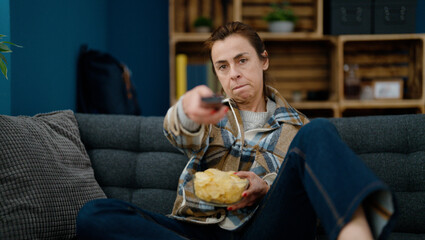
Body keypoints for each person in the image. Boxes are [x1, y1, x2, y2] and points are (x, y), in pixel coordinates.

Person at [76, 21, 397, 240]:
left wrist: (267, 188)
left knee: (320, 132)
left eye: (242, 60)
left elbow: (307, 202)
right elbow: (179, 130)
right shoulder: (213, 109)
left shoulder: (301, 128)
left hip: (263, 229)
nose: (234, 74)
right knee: (94, 214)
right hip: (197, 228)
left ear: (264, 60)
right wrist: (188, 107)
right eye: (223, 66)